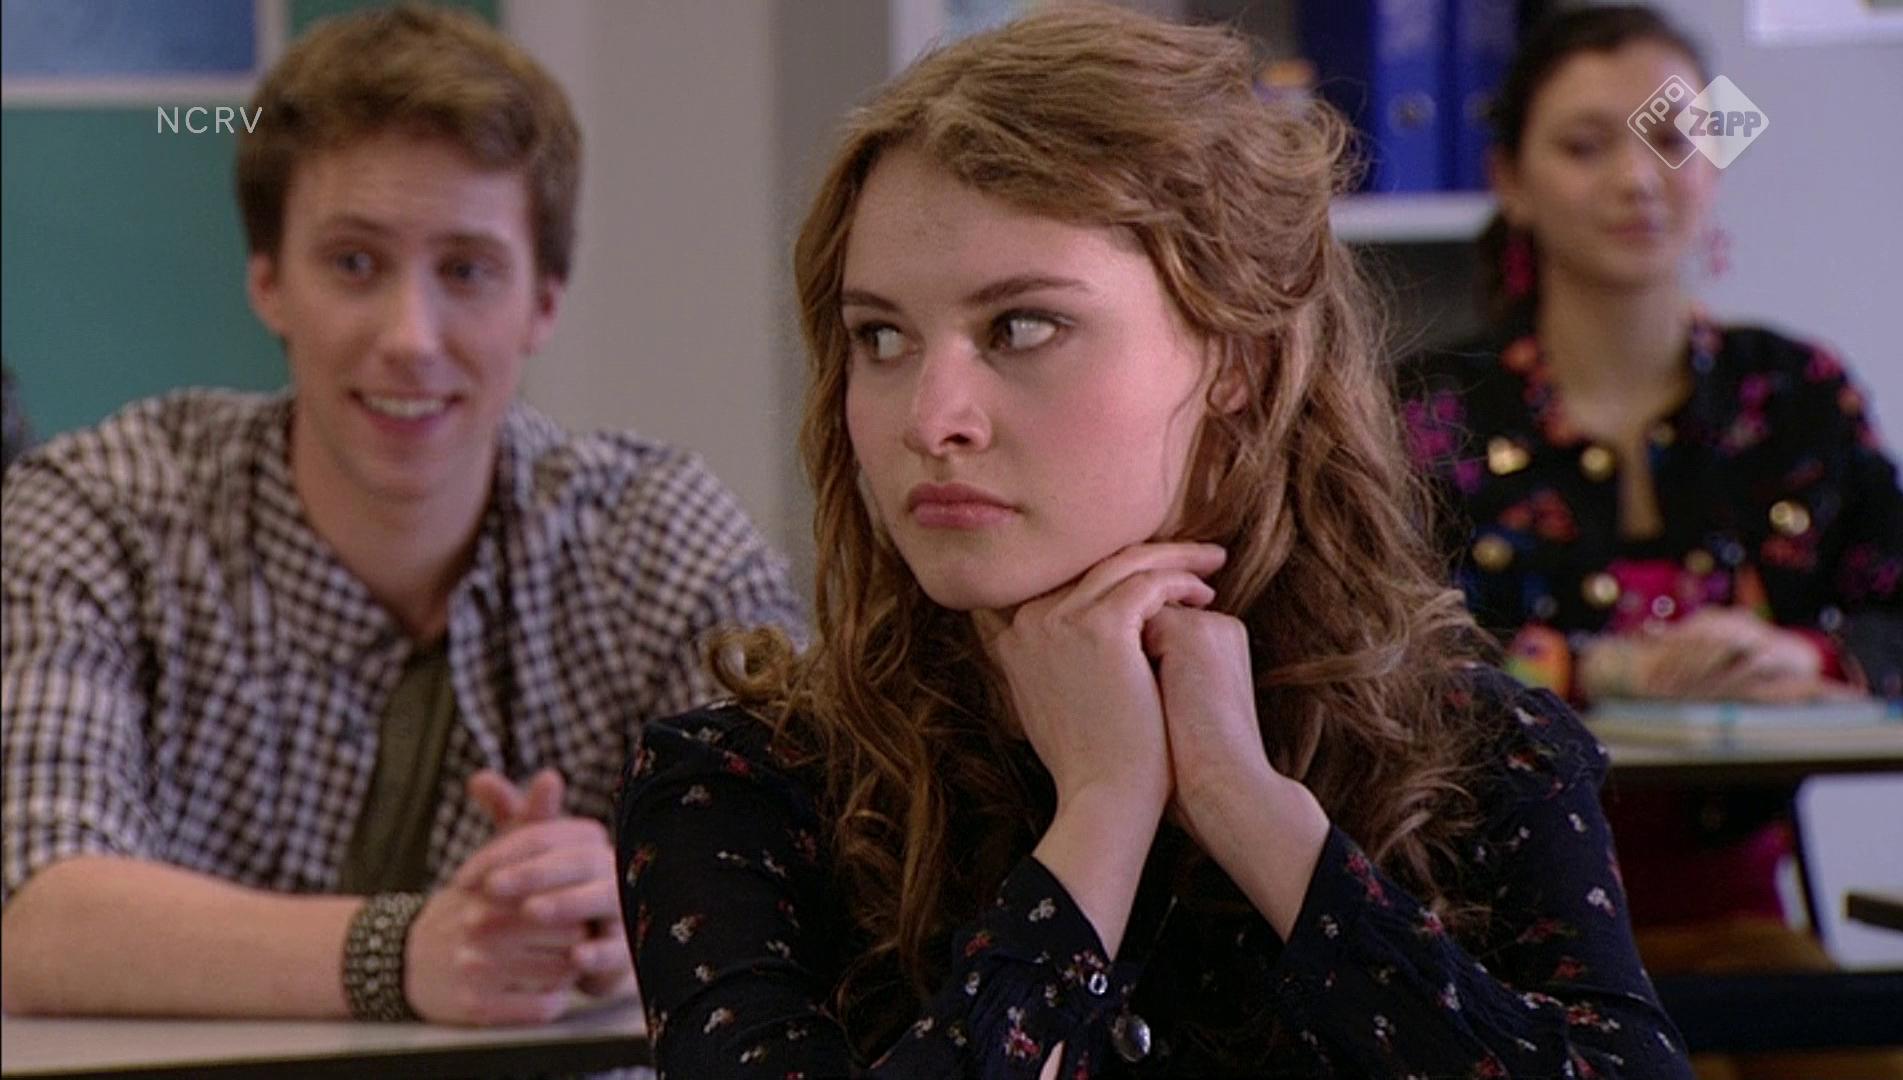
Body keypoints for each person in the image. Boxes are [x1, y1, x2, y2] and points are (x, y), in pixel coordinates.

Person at [614, 7, 1687, 1077]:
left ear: (1238, 360)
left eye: (1021, 327)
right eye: (880, 337)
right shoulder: (742, 786)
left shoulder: (1482, 754)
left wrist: (1252, 813)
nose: (930, 418)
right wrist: (1100, 818)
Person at [0, 6, 800, 1028]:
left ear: (543, 303)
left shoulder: (658, 540)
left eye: (466, 270)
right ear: (268, 284)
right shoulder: (101, 514)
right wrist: (403, 951)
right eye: (354, 264)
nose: (411, 338)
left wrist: (637, 909)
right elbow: (34, 915)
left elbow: (811, 885)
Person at [1398, 6, 1903, 1079]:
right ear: (1510, 181)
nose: (1638, 179)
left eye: (1675, 139)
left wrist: (1814, 658)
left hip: (1747, 932)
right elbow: (1363, 649)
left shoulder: (1794, 394)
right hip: (1487, 942)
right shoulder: (1429, 410)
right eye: (1586, 146)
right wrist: (1584, 670)